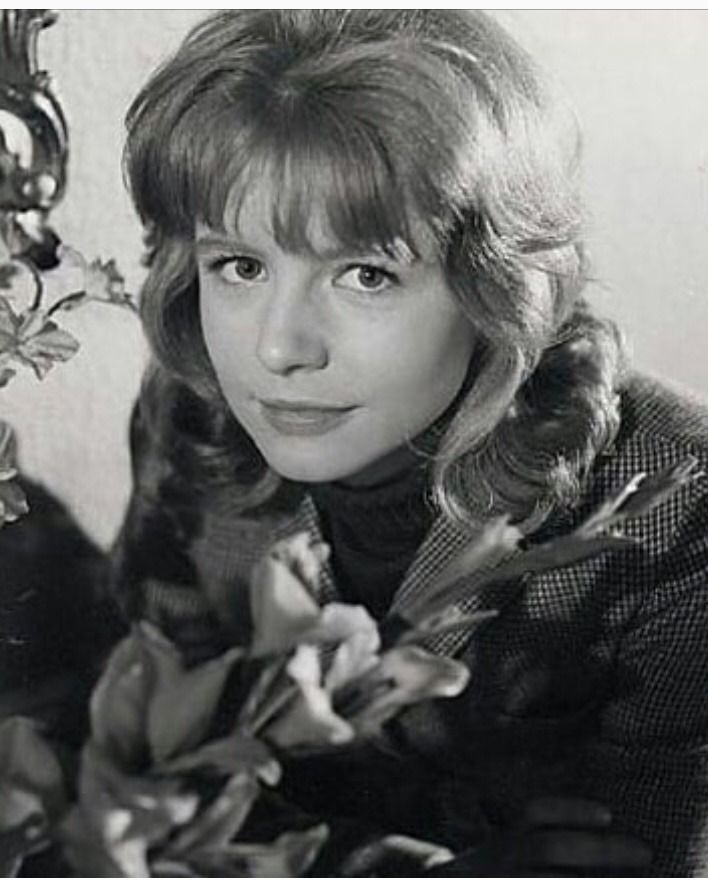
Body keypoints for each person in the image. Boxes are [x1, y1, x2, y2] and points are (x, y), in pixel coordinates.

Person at [111, 10, 708, 876]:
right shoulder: (194, 411)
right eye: (240, 266)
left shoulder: (681, 497)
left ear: (497, 287)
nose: (279, 350)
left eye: (366, 274)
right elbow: (156, 784)